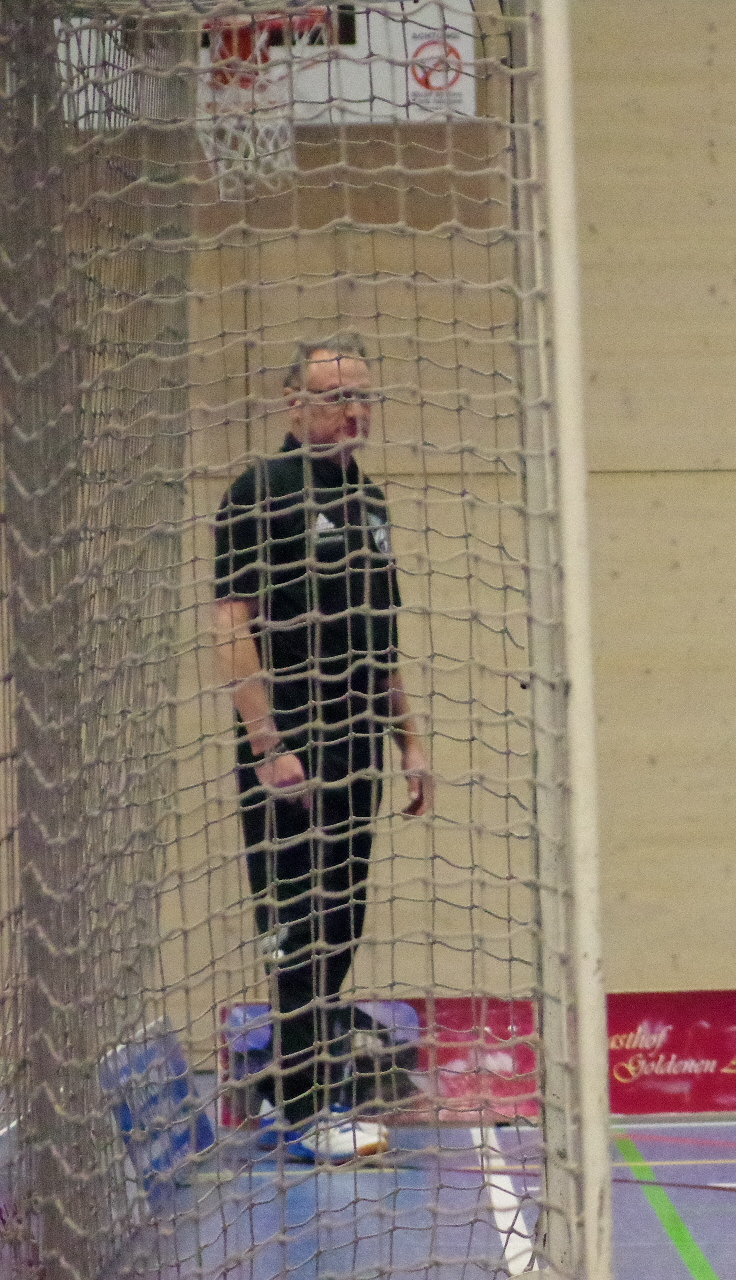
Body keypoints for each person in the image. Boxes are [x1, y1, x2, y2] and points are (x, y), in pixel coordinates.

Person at [212, 336, 433, 1163]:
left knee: (342, 923)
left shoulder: (369, 500)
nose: (353, 409)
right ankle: (306, 1111)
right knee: (297, 927)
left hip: (357, 752)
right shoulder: (260, 491)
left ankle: (292, 1087)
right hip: (292, 753)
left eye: (362, 395)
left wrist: (409, 743)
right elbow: (231, 623)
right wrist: (269, 744)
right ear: (292, 405)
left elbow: (382, 643)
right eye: (335, 394)